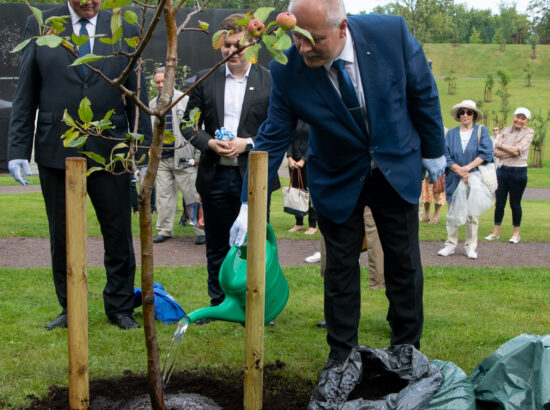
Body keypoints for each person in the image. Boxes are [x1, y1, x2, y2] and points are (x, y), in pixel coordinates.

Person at [230, 0, 446, 372]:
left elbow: (422, 91)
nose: (303, 48)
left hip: (394, 166)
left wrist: (434, 152)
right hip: (337, 175)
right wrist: (250, 203)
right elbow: (272, 137)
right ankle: (342, 357)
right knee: (340, 269)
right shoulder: (287, 67)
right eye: (297, 38)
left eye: (314, 40)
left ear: (342, 27)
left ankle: (407, 351)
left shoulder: (390, 33)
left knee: (403, 265)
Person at [8, 0, 152, 330]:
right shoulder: (43, 23)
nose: (90, 2)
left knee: (118, 232)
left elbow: (136, 93)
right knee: (62, 234)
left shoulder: (124, 25)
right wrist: (18, 148)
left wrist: (140, 151)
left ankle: (119, 307)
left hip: (110, 151)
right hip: (56, 148)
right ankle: (70, 306)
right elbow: (26, 88)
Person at [181, 13, 275, 323]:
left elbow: (278, 126)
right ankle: (218, 302)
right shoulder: (205, 79)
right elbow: (186, 123)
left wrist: (246, 143)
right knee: (217, 244)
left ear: (252, 44)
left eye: (237, 45)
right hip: (215, 174)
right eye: (226, 46)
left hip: (253, 176)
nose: (231, 52)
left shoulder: (269, 80)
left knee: (254, 243)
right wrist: (208, 142)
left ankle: (258, 303)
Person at [149, 67, 205, 245]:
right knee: (163, 197)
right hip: (162, 159)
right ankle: (164, 230)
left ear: (171, 81)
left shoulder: (185, 100)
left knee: (193, 196)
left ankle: (200, 230)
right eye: (157, 82)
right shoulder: (152, 104)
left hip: (184, 157)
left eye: (163, 81)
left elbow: (198, 128)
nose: (160, 85)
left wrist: (198, 154)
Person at [437, 100, 494, 259]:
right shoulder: (451, 133)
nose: (465, 115)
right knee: (452, 213)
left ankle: (471, 247)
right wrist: (458, 170)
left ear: (474, 115)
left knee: (472, 214)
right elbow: (445, 155)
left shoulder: (481, 131)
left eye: (469, 112)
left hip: (473, 178)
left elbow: (486, 153)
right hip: (454, 178)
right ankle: (450, 244)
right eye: (462, 112)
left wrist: (467, 169)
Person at [316, 206, 385, 328]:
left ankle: (398, 319)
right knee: (339, 259)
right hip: (340, 199)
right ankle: (340, 315)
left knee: (386, 257)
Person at [485, 107, 534, 244]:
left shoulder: (529, 132)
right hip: (502, 169)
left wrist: (503, 146)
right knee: (499, 202)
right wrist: (511, 149)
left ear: (527, 121)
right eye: (518, 117)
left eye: (523, 118)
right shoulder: (506, 130)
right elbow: (494, 151)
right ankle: (495, 232)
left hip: (518, 171)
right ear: (513, 117)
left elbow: (520, 150)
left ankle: (516, 234)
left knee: (515, 203)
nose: (519, 120)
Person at [287, 120, 318, 235]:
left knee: (311, 193)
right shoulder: (295, 119)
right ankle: (299, 223)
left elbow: (315, 142)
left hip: (310, 162)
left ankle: (313, 225)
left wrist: (304, 159)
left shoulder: (312, 118)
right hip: (293, 162)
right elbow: (289, 139)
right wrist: (290, 158)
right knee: (296, 191)